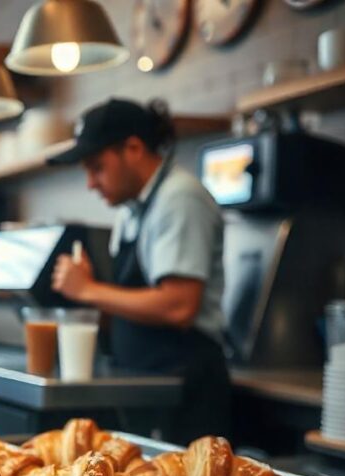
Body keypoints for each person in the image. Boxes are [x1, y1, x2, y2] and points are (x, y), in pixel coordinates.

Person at [49, 98, 230, 443]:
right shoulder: (130, 210)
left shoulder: (179, 198)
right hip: (146, 383)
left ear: (133, 148)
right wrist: (93, 300)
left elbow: (179, 306)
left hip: (184, 388)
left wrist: (88, 289)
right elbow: (134, 302)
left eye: (97, 167)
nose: (90, 183)